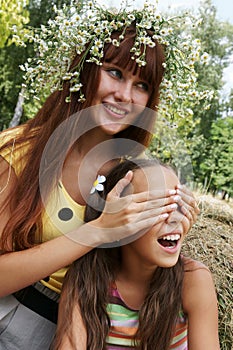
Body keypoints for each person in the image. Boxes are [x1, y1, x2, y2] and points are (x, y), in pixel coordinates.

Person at [0, 1, 200, 349]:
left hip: (78, 328)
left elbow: (139, 258)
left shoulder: (132, 175)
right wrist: (98, 230)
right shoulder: (20, 152)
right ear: (85, 71)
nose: (125, 95)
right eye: (115, 72)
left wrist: (174, 220)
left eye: (142, 85)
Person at [53, 158, 220, 350]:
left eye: (179, 205)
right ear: (117, 220)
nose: (174, 218)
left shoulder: (193, 280)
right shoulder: (85, 279)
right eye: (156, 207)